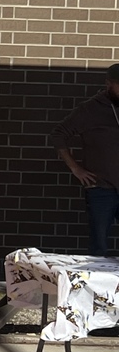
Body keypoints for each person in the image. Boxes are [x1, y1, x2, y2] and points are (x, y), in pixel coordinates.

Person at [50, 63, 119, 256]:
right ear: (109, 84)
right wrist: (75, 168)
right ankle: (97, 284)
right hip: (101, 188)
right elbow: (59, 134)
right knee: (99, 244)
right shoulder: (91, 109)